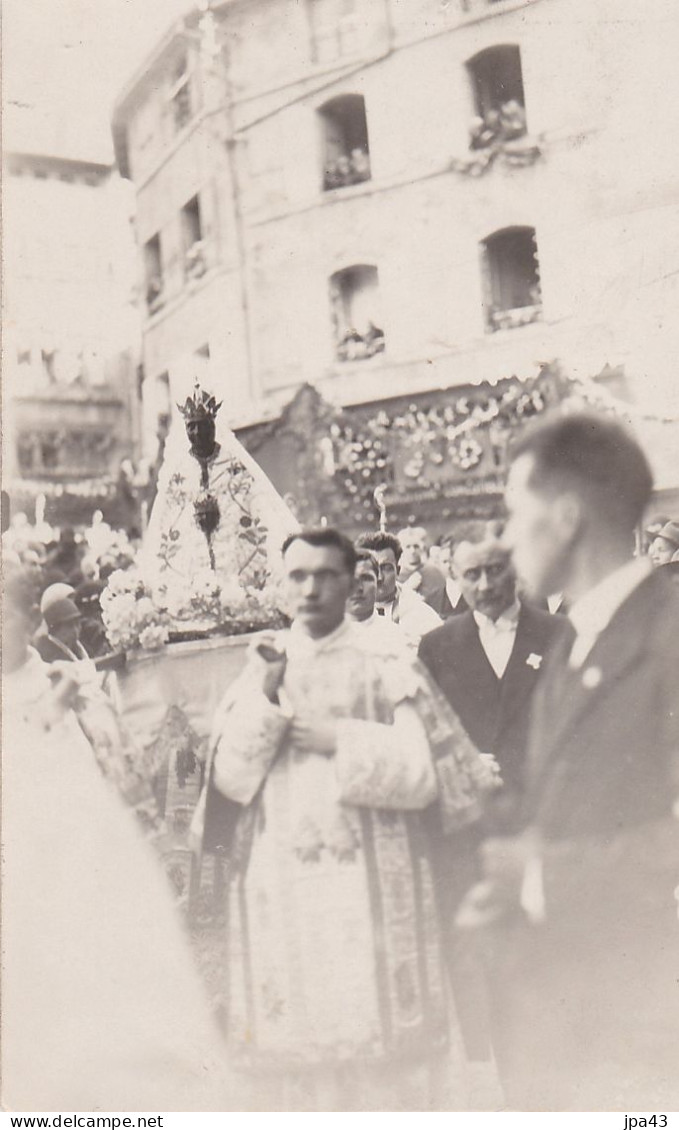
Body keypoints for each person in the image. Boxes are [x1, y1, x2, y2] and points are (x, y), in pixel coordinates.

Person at [197, 528, 495, 1111]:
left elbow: (423, 776)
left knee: (381, 1071)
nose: (310, 589)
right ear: (283, 586)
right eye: (298, 576)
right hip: (283, 896)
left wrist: (343, 740)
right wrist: (268, 700)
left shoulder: (385, 661)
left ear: (350, 580)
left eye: (325, 575)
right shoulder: (262, 665)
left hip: (374, 893)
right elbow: (230, 783)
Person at [463, 412, 679, 1110]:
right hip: (568, 1023)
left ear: (564, 517)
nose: (503, 537)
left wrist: (539, 877)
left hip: (643, 1037)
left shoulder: (667, 633)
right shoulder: (575, 636)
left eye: (511, 511)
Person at [2, 574, 232, 1111]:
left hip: (82, 831)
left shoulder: (61, 678)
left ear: (24, 619)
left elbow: (114, 761)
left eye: (6, 613)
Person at [420, 522, 570, 821]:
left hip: (546, 808)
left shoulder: (559, 635)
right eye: (472, 575)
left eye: (495, 570)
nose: (485, 585)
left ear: (515, 568)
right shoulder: (436, 646)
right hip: (471, 815)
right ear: (454, 576)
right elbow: (427, 735)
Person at [141, 380, 296, 627]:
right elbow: (165, 525)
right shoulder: (178, 471)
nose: (198, 434)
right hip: (192, 571)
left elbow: (259, 509)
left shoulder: (235, 465)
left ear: (214, 426)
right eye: (191, 427)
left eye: (203, 427)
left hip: (235, 560)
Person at [355, 530, 442, 647]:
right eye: (372, 569)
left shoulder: (421, 614)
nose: (379, 577)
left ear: (398, 570)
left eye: (386, 568)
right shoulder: (344, 616)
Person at [345, 547, 409, 652]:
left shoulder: (396, 637)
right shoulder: (321, 637)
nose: (359, 587)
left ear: (377, 581)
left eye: (366, 578)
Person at [396, 526, 448, 616]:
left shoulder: (434, 572)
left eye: (416, 546)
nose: (412, 551)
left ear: (422, 548)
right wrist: (407, 589)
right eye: (407, 547)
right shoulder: (396, 575)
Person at [34, 595, 90, 663]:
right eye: (69, 626)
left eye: (77, 624)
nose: (75, 630)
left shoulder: (82, 648)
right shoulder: (50, 657)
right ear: (55, 629)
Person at [437, 535, 469, 619]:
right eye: (445, 561)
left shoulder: (474, 593)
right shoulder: (432, 599)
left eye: (453, 561)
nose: (449, 566)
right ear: (438, 564)